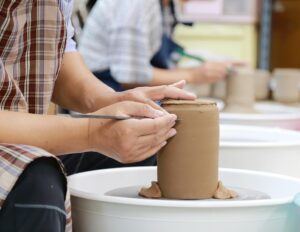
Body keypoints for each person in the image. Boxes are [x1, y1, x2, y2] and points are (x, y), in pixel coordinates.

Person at [0, 0, 196, 231]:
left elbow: (56, 55)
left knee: (143, 146)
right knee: (37, 181)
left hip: (25, 133)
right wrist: (93, 131)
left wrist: (114, 101)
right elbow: (130, 72)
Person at [78, 0, 231, 92]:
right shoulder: (136, 4)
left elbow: (163, 54)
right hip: (100, 101)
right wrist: (194, 75)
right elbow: (130, 77)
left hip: (126, 93)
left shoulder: (166, 5)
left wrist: (216, 62)